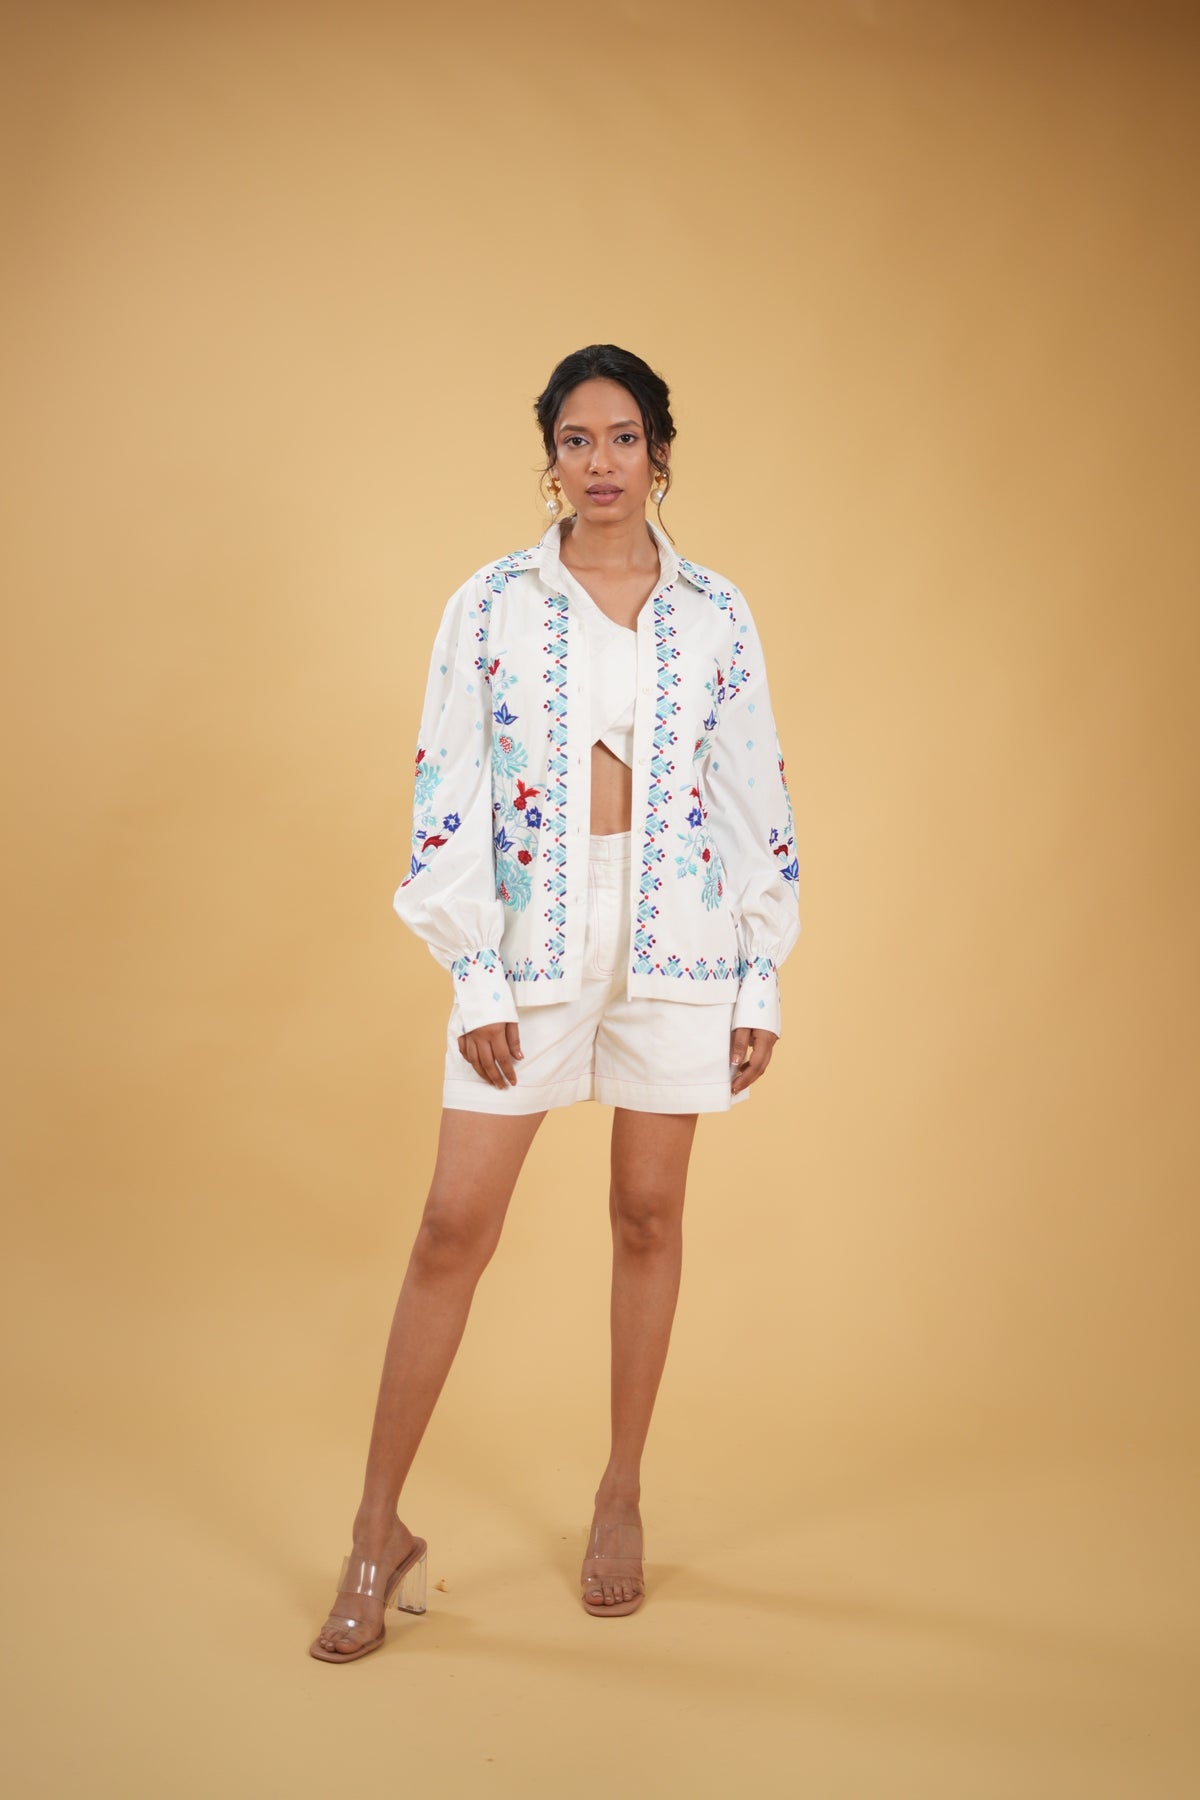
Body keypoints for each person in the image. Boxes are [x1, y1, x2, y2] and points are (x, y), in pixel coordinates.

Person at [310, 344, 801, 1662]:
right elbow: (446, 791)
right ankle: (375, 1534)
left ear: (660, 455)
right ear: (550, 460)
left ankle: (620, 1493)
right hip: (528, 942)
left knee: (648, 1214)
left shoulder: (717, 613)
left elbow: (752, 791)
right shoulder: (489, 606)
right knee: (450, 1228)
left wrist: (758, 971)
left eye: (623, 437)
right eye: (576, 439)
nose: (600, 462)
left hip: (678, 940)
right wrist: (475, 967)